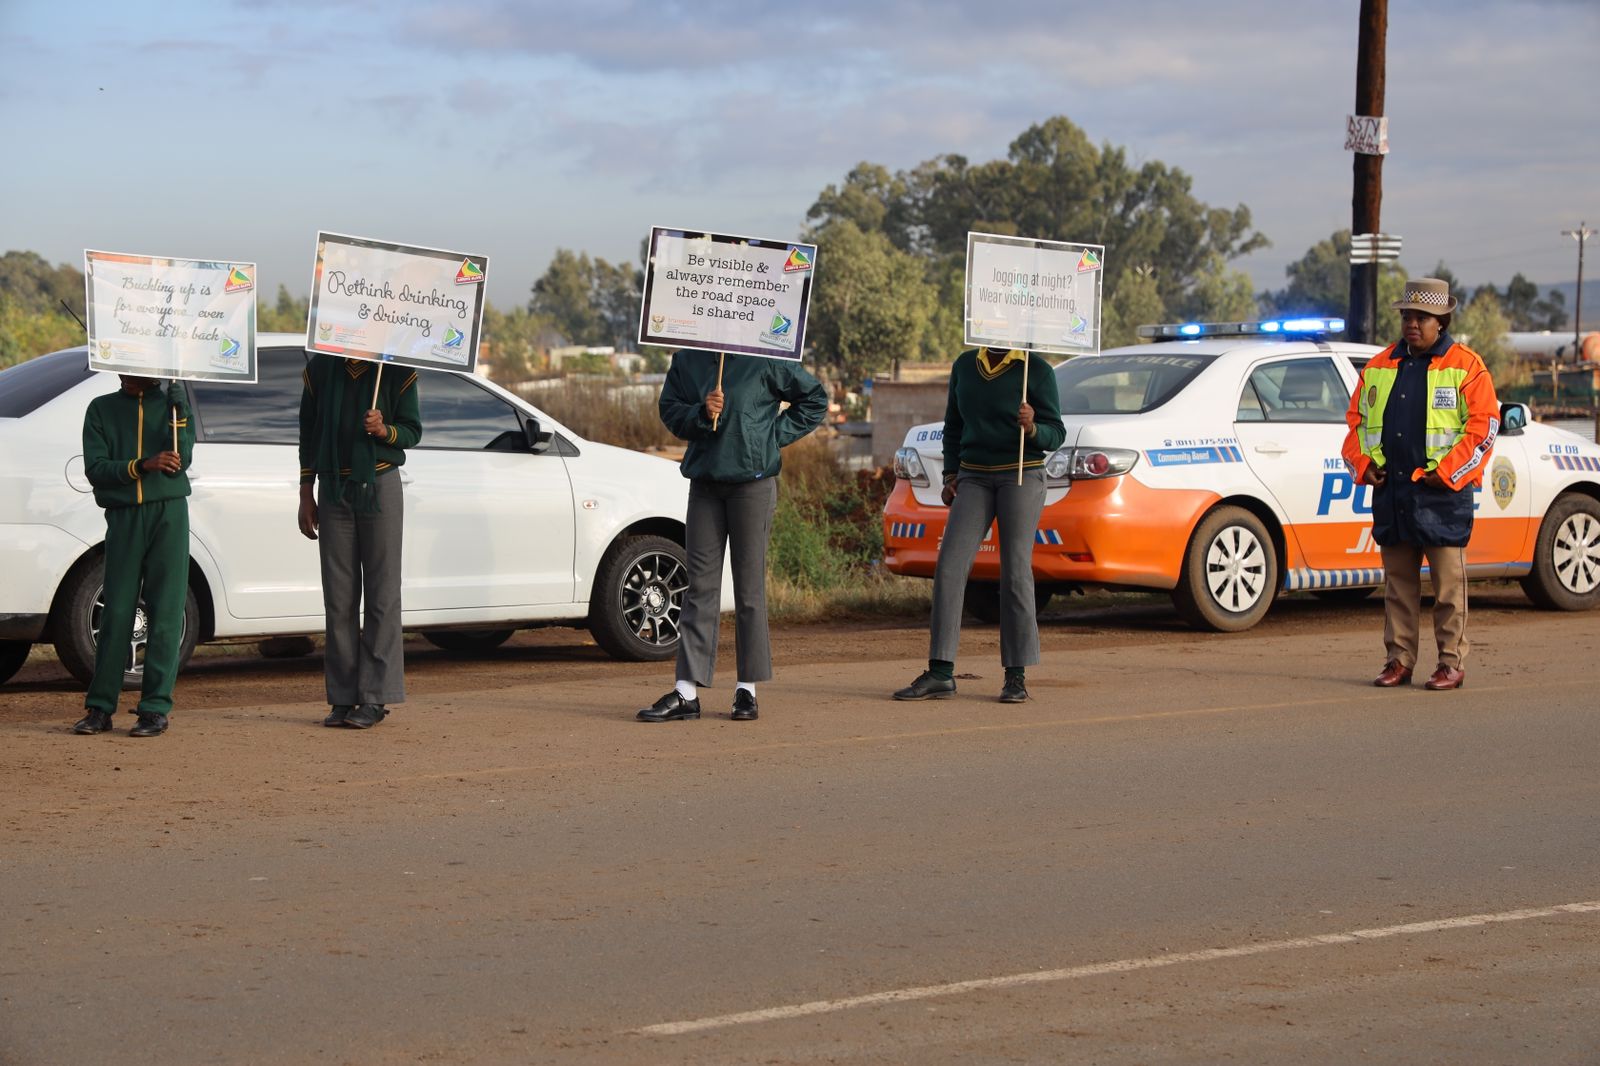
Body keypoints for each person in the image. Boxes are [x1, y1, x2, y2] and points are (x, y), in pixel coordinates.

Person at [636, 349, 828, 723]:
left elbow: (814, 399)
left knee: (749, 590)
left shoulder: (766, 357)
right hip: (705, 484)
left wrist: (770, 437)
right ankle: (686, 691)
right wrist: (700, 412)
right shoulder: (687, 358)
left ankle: (747, 689)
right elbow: (670, 410)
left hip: (753, 486)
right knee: (699, 588)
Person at [1342, 277, 1499, 691]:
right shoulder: (1379, 366)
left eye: (1421, 317)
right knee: (1397, 588)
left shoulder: (1466, 366)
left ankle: (1450, 663)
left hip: (1442, 496)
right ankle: (1399, 660)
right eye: (1407, 316)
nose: (1411, 324)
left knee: (1448, 588)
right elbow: (1356, 423)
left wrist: (1445, 473)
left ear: (1442, 321)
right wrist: (1364, 465)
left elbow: (1484, 429)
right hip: (1392, 493)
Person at [893, 346, 1066, 704]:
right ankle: (941, 672)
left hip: (1021, 474)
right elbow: (953, 426)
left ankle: (1015, 677)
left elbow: (1055, 434)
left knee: (1015, 571)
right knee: (951, 566)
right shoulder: (964, 365)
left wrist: (1033, 427)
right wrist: (951, 472)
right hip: (973, 476)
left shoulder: (1035, 370)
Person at [298, 356, 422, 728]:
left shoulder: (397, 369)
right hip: (333, 487)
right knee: (338, 598)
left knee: (383, 596)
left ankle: (374, 697)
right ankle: (342, 696)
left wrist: (385, 430)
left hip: (379, 486)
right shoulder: (320, 369)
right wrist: (307, 491)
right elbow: (308, 429)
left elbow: (413, 430)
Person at [73, 376, 195, 738]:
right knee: (117, 612)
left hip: (169, 513)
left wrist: (180, 411)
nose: (130, 374)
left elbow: (182, 459)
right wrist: (142, 465)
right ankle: (100, 708)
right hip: (125, 516)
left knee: (167, 611)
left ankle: (155, 709)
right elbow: (96, 469)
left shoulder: (172, 403)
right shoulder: (101, 408)